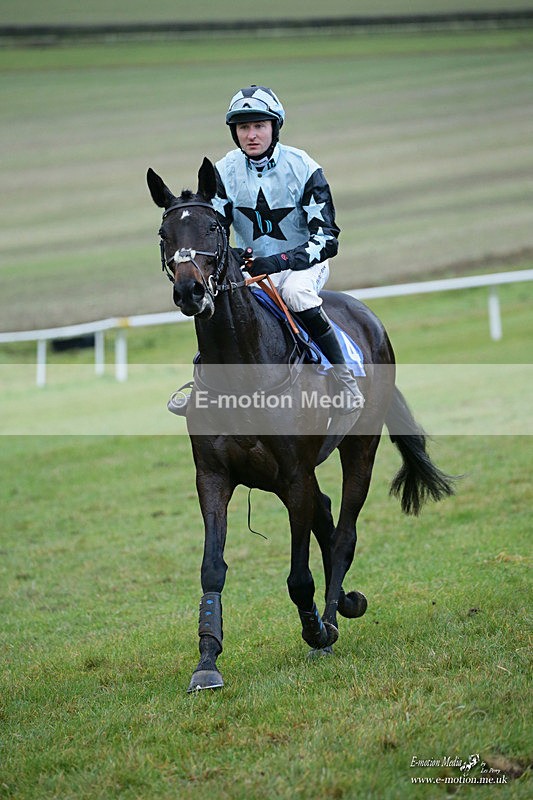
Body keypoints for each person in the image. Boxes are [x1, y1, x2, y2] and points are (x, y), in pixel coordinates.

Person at [169, 84, 364, 418]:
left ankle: (344, 377)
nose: (252, 135)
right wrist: (230, 259)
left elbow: (327, 238)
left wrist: (276, 261)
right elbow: (214, 232)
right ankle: (202, 379)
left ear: (275, 127)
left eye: (259, 126)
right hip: (252, 266)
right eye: (244, 128)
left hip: (304, 264)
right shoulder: (223, 171)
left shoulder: (304, 167)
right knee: (220, 300)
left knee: (296, 293)